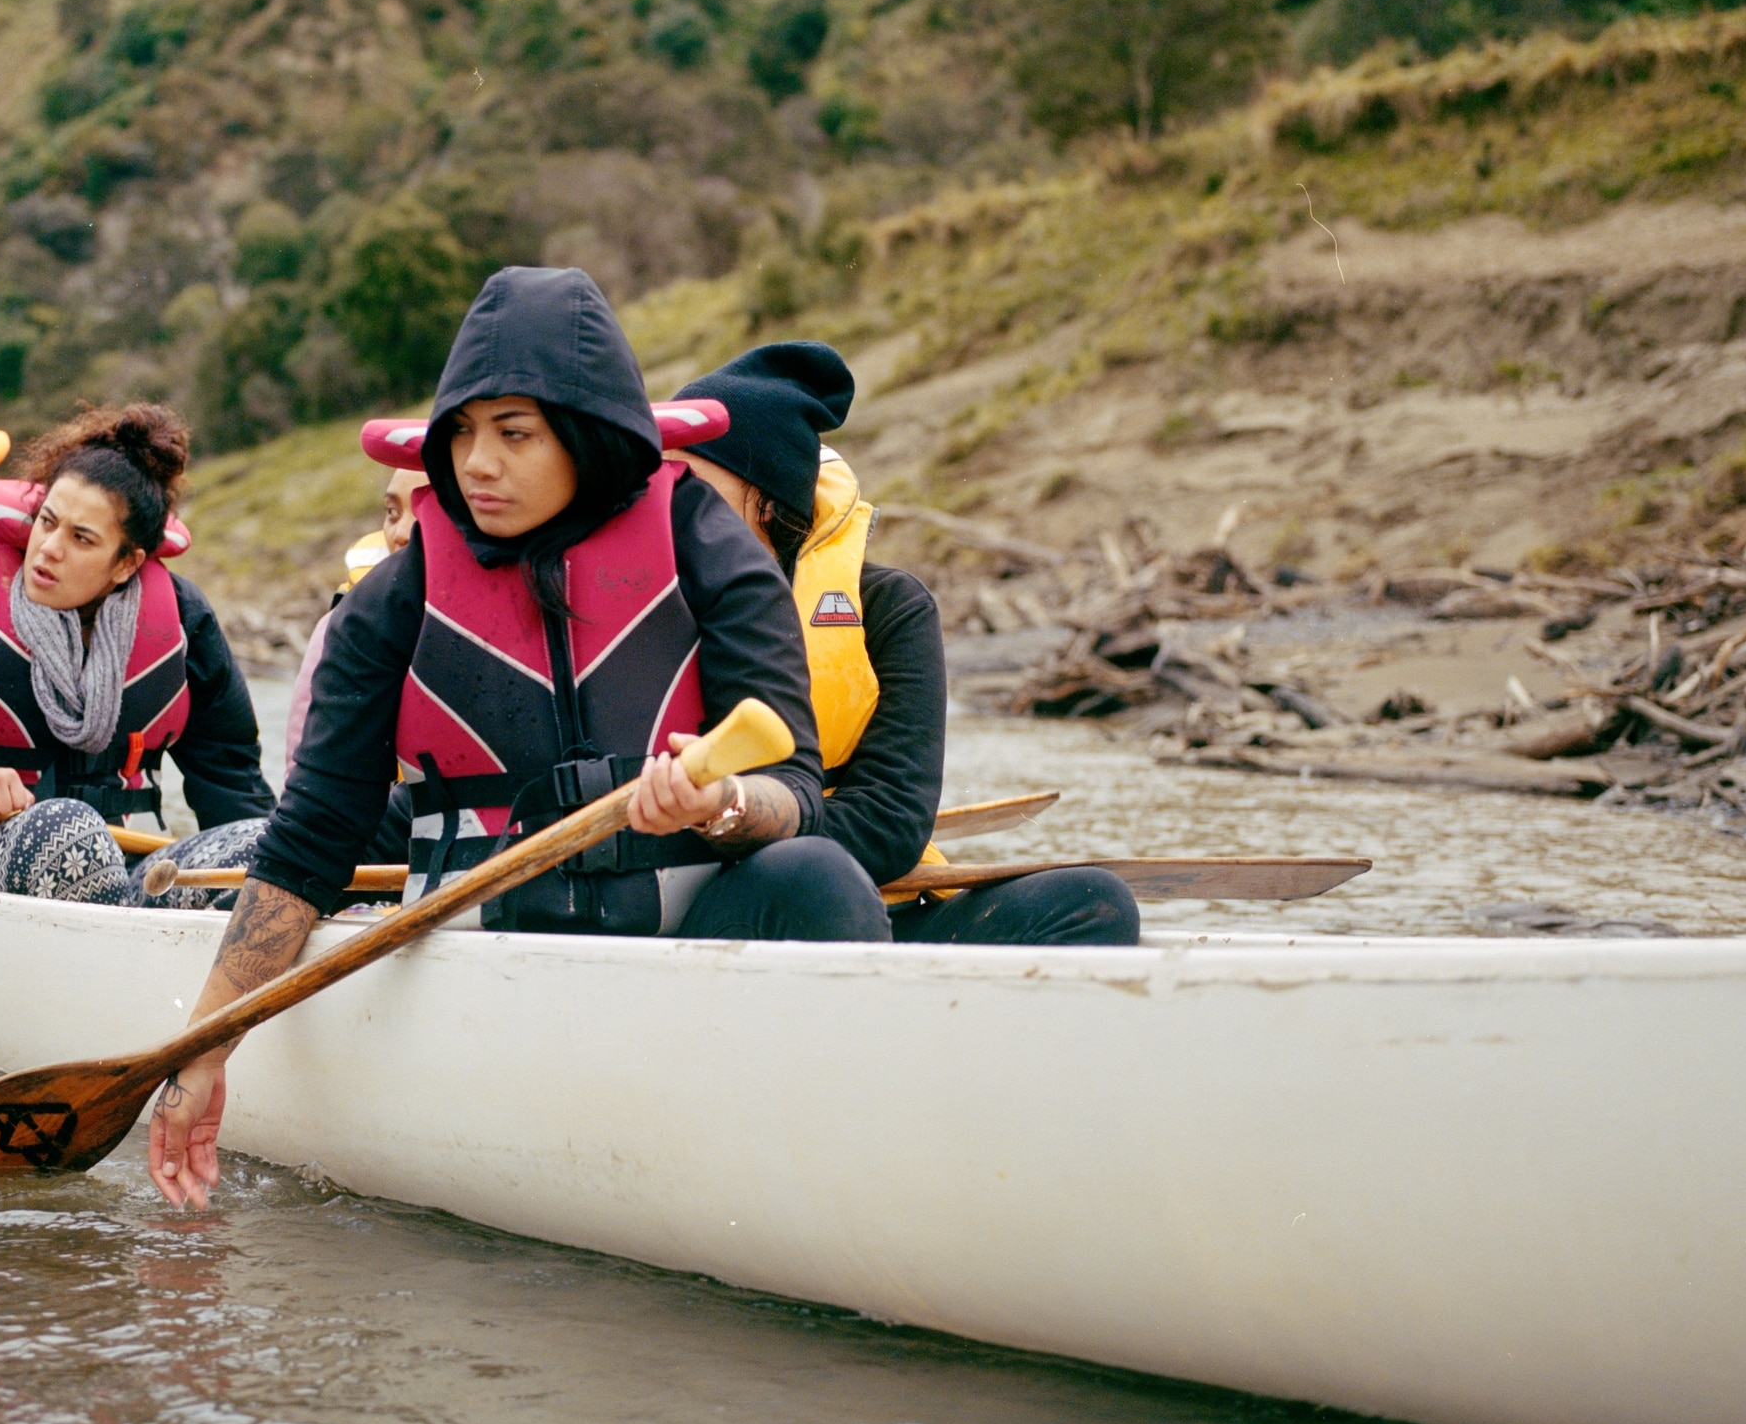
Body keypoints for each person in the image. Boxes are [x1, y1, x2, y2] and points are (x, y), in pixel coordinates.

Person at [147, 265, 862, 1208]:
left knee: (816, 877)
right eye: (462, 435)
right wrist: (202, 1049)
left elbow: (793, 789)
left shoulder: (703, 540)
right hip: (478, 948)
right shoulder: (393, 599)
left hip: (682, 939)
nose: (477, 464)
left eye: (514, 434)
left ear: (586, 430)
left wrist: (721, 802)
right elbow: (312, 837)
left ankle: (830, 1173)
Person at [668, 342, 1141, 950]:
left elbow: (890, 828)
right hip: (720, 905)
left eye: (692, 483)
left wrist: (743, 813)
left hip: (859, 895)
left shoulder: (891, 608)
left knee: (1093, 903)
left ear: (764, 498)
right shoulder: (644, 608)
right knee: (817, 879)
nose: (669, 505)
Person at [0, 403, 274, 905]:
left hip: (129, 867)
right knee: (68, 835)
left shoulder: (184, 620)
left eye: (81, 538)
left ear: (125, 564)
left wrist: (270, 882)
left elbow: (231, 778)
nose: (48, 548)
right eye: (47, 522)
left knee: (267, 845)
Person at [279, 463, 426, 791]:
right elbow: (308, 787)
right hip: (381, 833)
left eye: (425, 510)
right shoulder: (343, 625)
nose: (401, 534)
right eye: (392, 512)